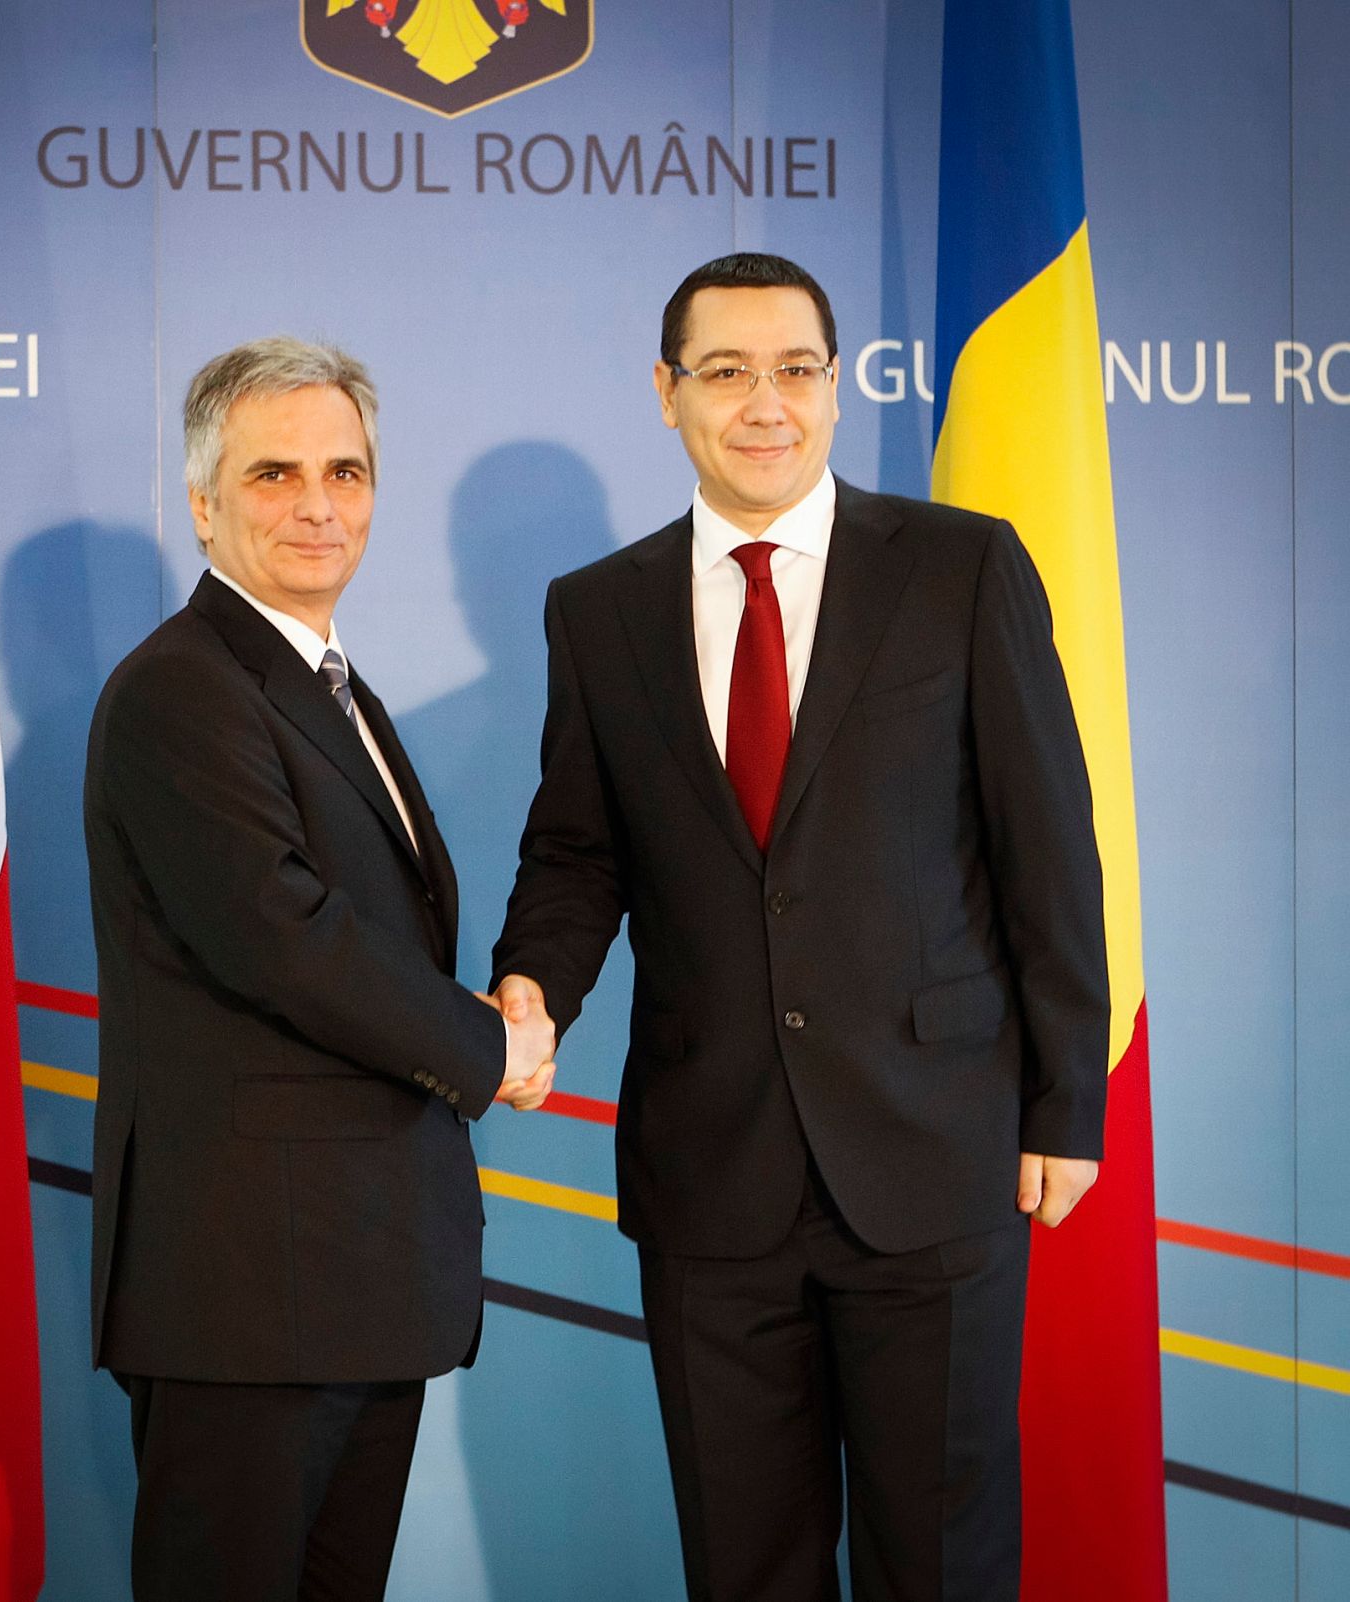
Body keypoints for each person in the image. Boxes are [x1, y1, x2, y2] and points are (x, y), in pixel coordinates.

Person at [490, 254, 1109, 1602]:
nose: (763, 403)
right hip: (710, 1169)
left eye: (794, 370)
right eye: (725, 371)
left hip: (933, 1151)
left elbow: (1048, 848)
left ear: (835, 388)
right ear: (667, 393)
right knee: (744, 1567)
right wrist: (533, 985)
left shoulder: (960, 566)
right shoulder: (597, 609)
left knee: (937, 1566)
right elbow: (579, 850)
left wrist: (1067, 1103)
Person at [85, 335, 556, 1601]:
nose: (317, 505)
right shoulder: (182, 690)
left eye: (343, 472)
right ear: (203, 505)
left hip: (353, 1277)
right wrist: (490, 1047)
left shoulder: (327, 685)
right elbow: (284, 937)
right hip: (248, 1292)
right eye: (273, 474)